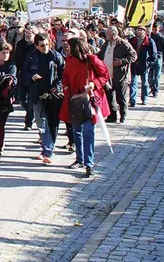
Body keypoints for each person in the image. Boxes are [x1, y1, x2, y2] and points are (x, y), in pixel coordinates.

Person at [59, 37, 110, 177]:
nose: (66, 47)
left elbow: (105, 75)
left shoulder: (91, 59)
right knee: (77, 131)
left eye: (69, 45)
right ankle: (79, 159)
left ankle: (89, 163)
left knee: (88, 131)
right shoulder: (69, 60)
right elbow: (66, 76)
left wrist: (93, 84)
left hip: (88, 100)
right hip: (74, 100)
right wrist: (65, 87)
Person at [23, 33, 65, 164]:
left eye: (47, 44)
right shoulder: (31, 57)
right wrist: (31, 76)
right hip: (37, 94)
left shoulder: (56, 56)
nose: (45, 47)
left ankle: (48, 151)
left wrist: (57, 86)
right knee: (40, 124)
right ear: (36, 46)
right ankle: (44, 148)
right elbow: (24, 72)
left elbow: (63, 74)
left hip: (52, 94)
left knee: (51, 123)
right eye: (42, 46)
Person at [98, 26, 136, 124]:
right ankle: (112, 116)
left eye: (107, 33)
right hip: (107, 75)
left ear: (113, 34)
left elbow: (133, 56)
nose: (105, 35)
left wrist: (121, 61)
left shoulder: (123, 44)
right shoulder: (106, 44)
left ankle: (123, 115)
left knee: (121, 98)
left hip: (120, 76)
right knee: (109, 97)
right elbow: (100, 55)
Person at [13, 25, 37, 130]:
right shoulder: (20, 44)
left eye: (30, 33)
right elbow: (16, 58)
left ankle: (28, 122)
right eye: (26, 33)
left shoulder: (37, 46)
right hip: (22, 75)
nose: (27, 35)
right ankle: (31, 111)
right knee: (23, 99)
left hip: (33, 76)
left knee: (31, 99)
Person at [128, 26, 157, 107]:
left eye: (141, 30)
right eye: (138, 30)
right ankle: (132, 100)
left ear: (145, 32)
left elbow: (154, 55)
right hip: (134, 65)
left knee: (144, 83)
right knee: (133, 83)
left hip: (144, 65)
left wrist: (149, 64)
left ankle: (144, 98)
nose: (139, 32)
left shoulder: (149, 41)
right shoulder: (132, 41)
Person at [149, 23, 164, 98]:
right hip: (150, 57)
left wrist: (163, 59)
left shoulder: (162, 37)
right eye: (153, 29)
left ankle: (156, 90)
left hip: (159, 56)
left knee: (157, 75)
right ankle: (152, 87)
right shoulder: (149, 36)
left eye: (156, 29)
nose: (154, 31)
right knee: (150, 75)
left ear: (159, 29)